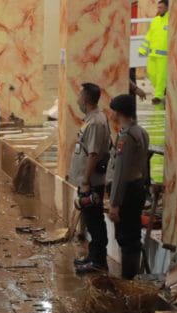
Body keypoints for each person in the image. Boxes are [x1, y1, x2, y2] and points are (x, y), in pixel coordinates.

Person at [69, 83, 111, 274]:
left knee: (95, 221)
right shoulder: (91, 119)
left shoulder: (95, 122)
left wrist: (86, 181)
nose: (77, 99)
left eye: (79, 95)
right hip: (87, 180)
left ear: (85, 99)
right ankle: (93, 256)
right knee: (91, 220)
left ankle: (98, 261)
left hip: (92, 182)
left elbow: (93, 154)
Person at [107, 95, 149, 280]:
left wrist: (114, 203)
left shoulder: (126, 136)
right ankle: (131, 278)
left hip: (127, 191)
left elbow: (120, 173)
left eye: (113, 112)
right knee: (132, 235)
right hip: (137, 187)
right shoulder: (141, 132)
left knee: (126, 238)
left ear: (117, 113)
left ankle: (129, 280)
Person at [138, 0, 169, 104]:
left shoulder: (171, 21)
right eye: (158, 7)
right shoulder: (155, 21)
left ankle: (158, 96)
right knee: (151, 74)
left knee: (161, 76)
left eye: (161, 7)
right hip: (152, 54)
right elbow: (149, 36)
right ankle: (163, 89)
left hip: (164, 56)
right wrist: (142, 49)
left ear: (167, 8)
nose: (158, 9)